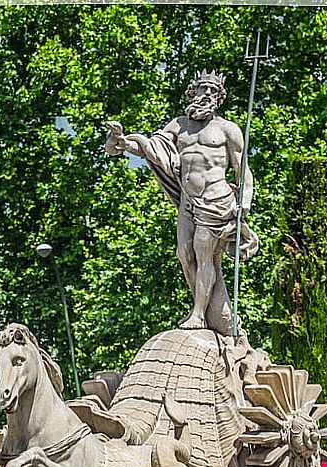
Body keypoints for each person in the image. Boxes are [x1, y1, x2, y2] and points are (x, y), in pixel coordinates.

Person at [105, 70, 258, 335]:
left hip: (216, 200)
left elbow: (242, 170)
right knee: (184, 254)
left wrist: (243, 203)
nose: (207, 94)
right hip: (188, 201)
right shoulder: (177, 126)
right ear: (192, 91)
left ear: (219, 98)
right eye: (203, 89)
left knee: (204, 254)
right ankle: (220, 318)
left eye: (213, 91)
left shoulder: (227, 129)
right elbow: (153, 148)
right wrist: (122, 141)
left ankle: (199, 314)